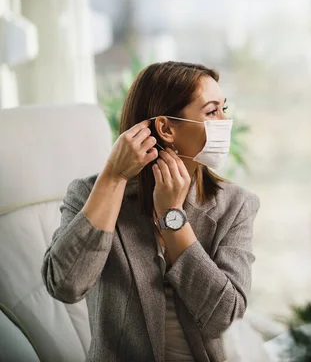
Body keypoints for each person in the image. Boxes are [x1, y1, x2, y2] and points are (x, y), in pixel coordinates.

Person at [41, 61, 260, 362]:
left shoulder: (235, 205)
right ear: (166, 128)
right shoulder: (88, 194)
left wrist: (173, 218)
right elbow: (65, 285)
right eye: (212, 112)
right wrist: (113, 177)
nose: (226, 121)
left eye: (224, 108)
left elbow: (225, 317)